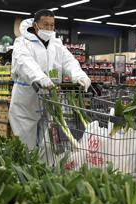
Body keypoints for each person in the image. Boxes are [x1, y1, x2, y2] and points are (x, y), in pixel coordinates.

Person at [9, 9, 91, 151]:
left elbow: (69, 61)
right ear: (35, 26)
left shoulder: (56, 44)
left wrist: (79, 75)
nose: (49, 28)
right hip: (26, 100)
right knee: (25, 144)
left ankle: (44, 171)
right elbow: (25, 62)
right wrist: (40, 77)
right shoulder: (22, 43)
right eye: (45, 25)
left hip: (49, 100)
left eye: (51, 25)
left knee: (48, 144)